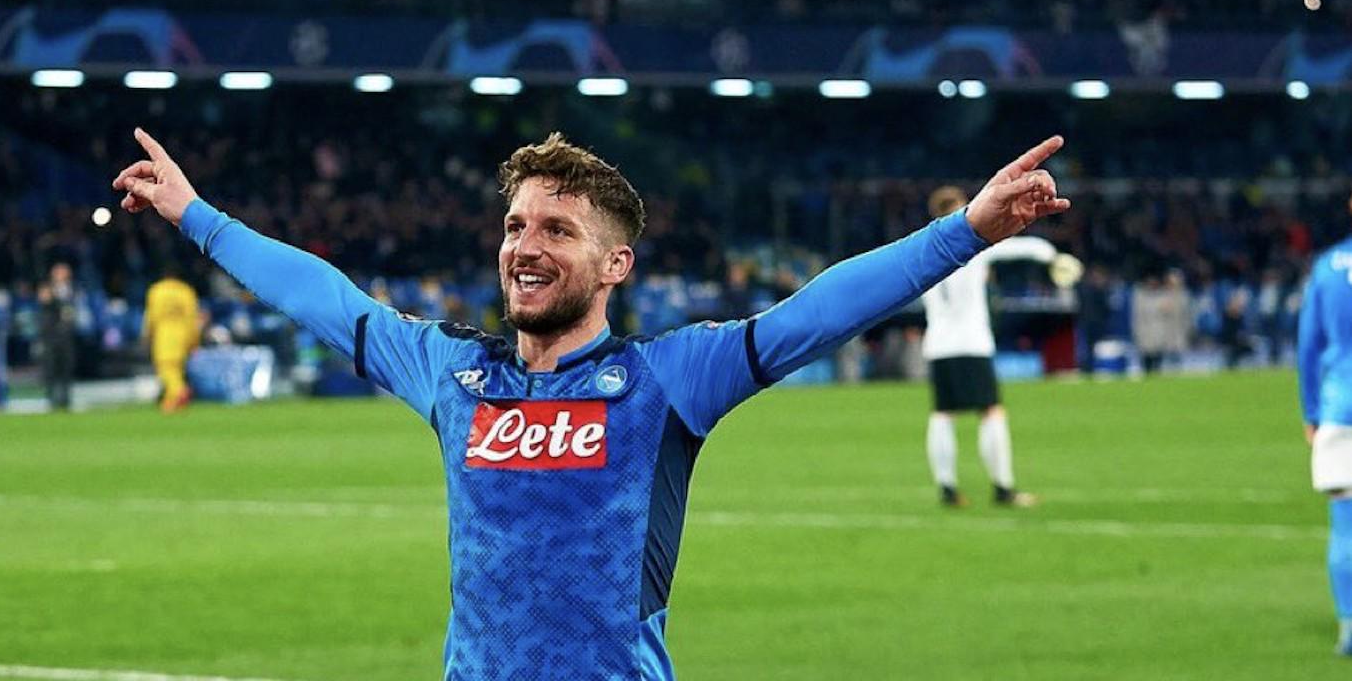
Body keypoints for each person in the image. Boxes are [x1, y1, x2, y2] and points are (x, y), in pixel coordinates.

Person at [114, 127, 1070, 680]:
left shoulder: (670, 379)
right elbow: (327, 299)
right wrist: (197, 215)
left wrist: (965, 231)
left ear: (615, 265)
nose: (525, 246)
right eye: (515, 224)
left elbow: (814, 314)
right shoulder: (451, 372)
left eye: (557, 230)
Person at [919, 185, 1058, 508]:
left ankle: (947, 488)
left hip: (939, 344)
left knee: (943, 414)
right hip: (972, 342)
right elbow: (1024, 248)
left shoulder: (924, 250)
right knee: (992, 412)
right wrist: (1051, 255)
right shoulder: (973, 246)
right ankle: (1003, 487)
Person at [1297, 194, 1352, 657]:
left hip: (1341, 407)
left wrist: (1311, 412)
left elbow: (1309, 345)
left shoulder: (1327, 267)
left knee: (1345, 524)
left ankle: (1350, 626)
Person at [143, 266, 201, 413]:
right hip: (182, 334)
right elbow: (192, 318)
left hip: (164, 333)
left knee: (166, 367)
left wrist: (147, 335)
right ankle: (171, 401)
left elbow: (151, 317)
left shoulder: (156, 290)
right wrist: (194, 340)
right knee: (177, 368)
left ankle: (179, 390)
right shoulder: (186, 291)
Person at [38, 262, 78, 411]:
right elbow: (45, 300)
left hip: (66, 335)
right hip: (51, 334)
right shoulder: (47, 288)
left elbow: (72, 310)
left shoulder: (72, 289)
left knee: (66, 366)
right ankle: (51, 399)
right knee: (51, 367)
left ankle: (66, 399)